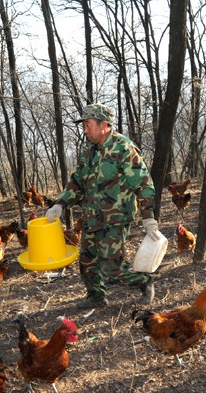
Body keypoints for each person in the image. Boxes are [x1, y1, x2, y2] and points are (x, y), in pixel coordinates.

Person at [45, 103, 157, 309]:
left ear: (104, 125)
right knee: (87, 262)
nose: (85, 130)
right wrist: (60, 204)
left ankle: (144, 280)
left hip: (116, 218)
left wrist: (148, 216)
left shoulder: (124, 149)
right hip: (91, 216)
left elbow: (143, 183)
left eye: (88, 125)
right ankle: (96, 296)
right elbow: (77, 181)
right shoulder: (88, 151)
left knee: (111, 267)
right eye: (84, 126)